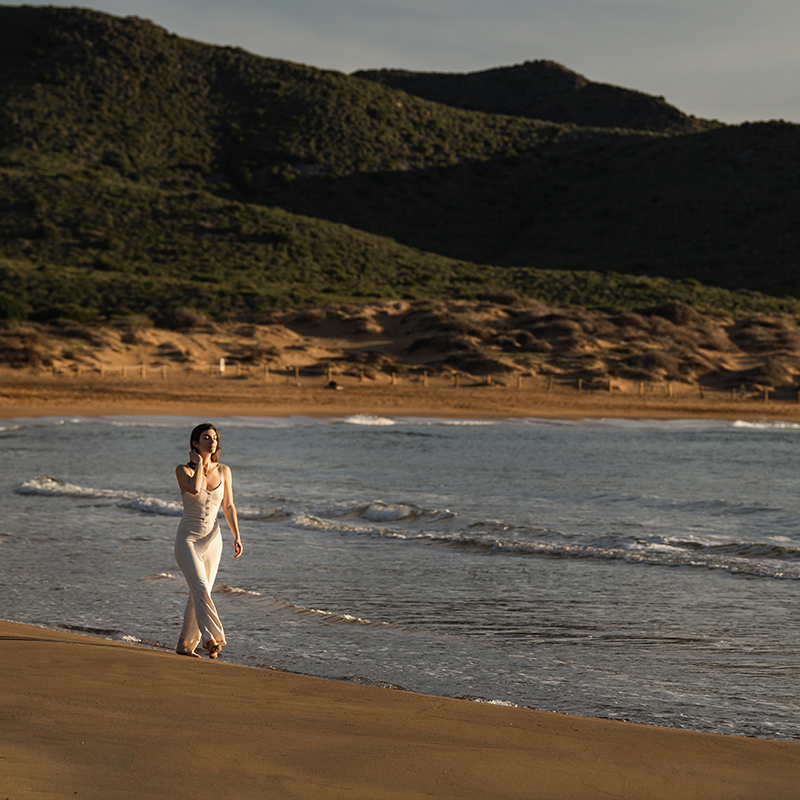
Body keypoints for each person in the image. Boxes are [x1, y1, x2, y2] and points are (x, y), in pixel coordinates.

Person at [174, 422, 242, 659]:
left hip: (213, 542)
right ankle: (212, 637)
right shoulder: (183, 470)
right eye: (206, 438)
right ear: (195, 443)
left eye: (214, 438)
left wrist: (236, 535)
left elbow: (229, 505)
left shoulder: (225, 471)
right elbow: (194, 489)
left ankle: (185, 645)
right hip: (188, 541)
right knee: (202, 589)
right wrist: (201, 463)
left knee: (199, 593)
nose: (212, 441)